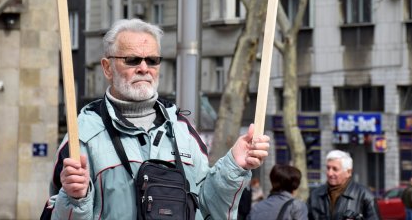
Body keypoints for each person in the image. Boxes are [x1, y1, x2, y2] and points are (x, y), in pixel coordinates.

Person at [41, 18, 270, 219]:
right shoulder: (81, 137)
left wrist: (234, 165)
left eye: (152, 60)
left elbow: (209, 209)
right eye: (132, 60)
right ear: (107, 68)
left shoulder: (183, 131)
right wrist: (75, 199)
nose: (144, 68)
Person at [307, 150, 380, 220]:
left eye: (335, 169)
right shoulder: (315, 195)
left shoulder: (364, 195)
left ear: (348, 172)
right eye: (328, 168)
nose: (330, 173)